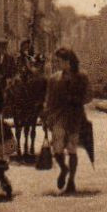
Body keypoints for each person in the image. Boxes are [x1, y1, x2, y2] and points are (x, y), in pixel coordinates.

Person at [42, 47, 90, 195]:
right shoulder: (54, 79)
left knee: (72, 148)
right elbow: (48, 99)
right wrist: (46, 115)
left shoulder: (81, 77)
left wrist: (75, 100)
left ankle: (71, 181)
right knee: (57, 148)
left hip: (75, 117)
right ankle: (64, 168)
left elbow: (89, 96)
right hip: (58, 117)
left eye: (60, 61)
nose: (58, 64)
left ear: (68, 61)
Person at [5, 53, 47, 158]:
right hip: (19, 104)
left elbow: (42, 92)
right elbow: (10, 89)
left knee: (32, 126)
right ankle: (19, 145)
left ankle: (29, 145)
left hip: (32, 103)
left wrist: (41, 102)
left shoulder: (37, 78)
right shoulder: (17, 80)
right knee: (19, 126)